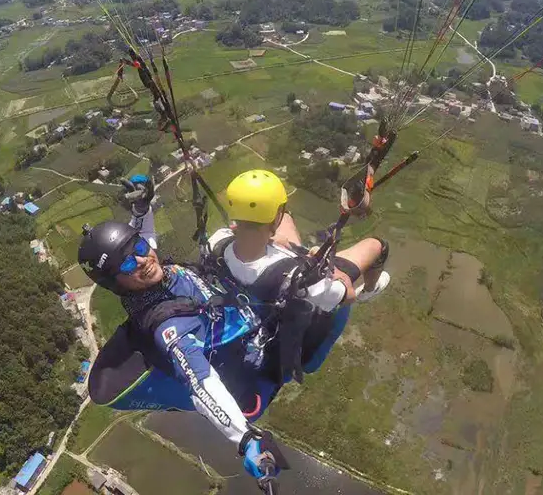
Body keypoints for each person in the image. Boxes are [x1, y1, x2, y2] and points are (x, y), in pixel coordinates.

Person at [79, 174, 286, 486]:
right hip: (265, 362)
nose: (141, 260)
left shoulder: (147, 274)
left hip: (243, 315)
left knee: (279, 222)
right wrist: (244, 438)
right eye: (125, 265)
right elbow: (201, 383)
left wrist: (141, 209)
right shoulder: (167, 326)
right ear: (115, 285)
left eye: (136, 247)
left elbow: (145, 237)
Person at [209, 169, 391, 312]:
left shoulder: (217, 240)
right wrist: (333, 271)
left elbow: (253, 235)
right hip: (289, 293)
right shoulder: (305, 282)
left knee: (288, 221)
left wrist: (275, 238)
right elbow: (348, 296)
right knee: (377, 246)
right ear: (274, 218)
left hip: (251, 284)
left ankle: (292, 242)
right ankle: (369, 290)